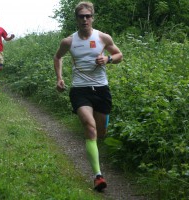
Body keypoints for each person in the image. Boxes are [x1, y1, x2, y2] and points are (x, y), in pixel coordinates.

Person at [53, 1, 123, 192]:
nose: (85, 19)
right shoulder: (68, 41)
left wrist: (107, 59)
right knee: (89, 127)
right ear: (76, 19)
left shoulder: (103, 37)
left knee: (101, 133)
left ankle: (101, 133)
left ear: (92, 17)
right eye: (81, 16)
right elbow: (58, 57)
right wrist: (59, 78)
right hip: (80, 90)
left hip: (101, 90)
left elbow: (119, 55)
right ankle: (98, 176)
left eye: (88, 16)